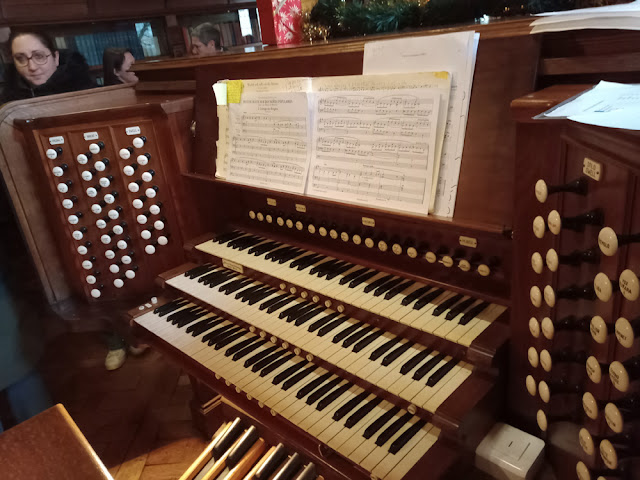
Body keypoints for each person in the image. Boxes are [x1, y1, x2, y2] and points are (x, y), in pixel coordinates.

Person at [1, 30, 94, 103]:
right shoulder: (7, 104)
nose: (32, 67)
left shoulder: (89, 93)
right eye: (21, 59)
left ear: (56, 58)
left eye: (39, 56)